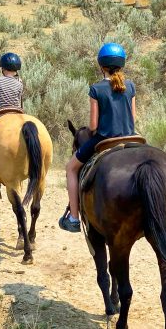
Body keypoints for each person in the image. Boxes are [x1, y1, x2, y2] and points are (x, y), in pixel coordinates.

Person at [59, 43, 136, 233]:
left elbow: (93, 126)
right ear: (122, 64)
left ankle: (75, 218)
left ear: (101, 66)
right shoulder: (131, 86)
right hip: (130, 136)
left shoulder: (96, 89)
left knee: (71, 168)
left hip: (105, 139)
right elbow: (133, 119)